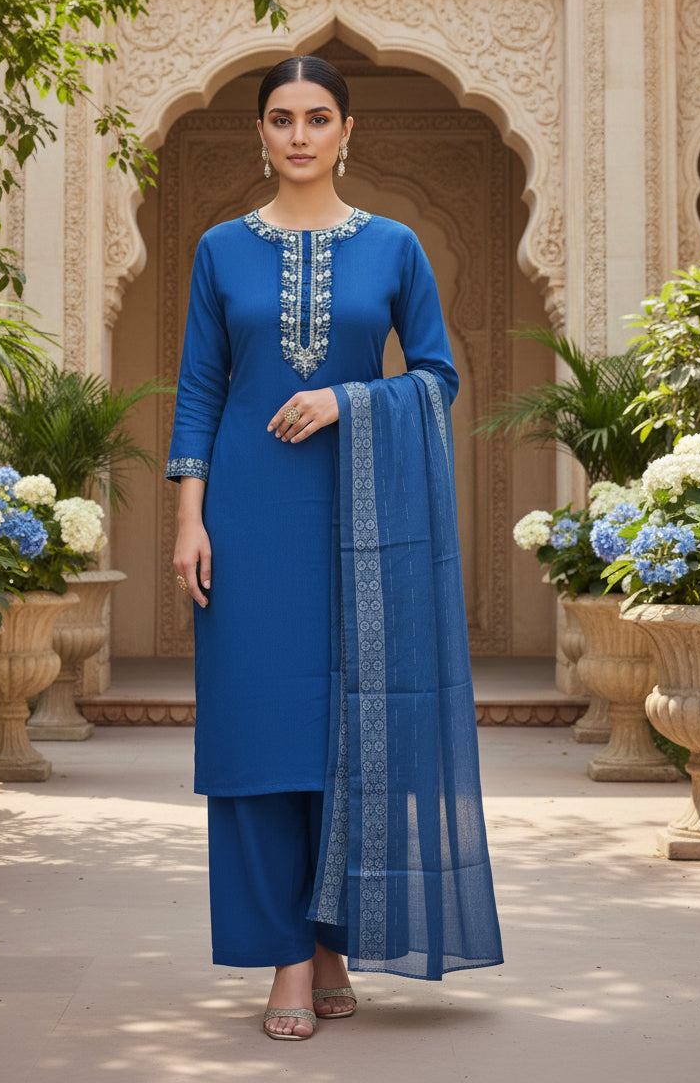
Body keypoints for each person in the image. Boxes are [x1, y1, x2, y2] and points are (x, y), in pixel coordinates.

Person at [167, 55, 503, 1042]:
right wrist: (191, 517)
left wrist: (349, 400)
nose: (300, 134)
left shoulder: (393, 247)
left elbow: (436, 377)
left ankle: (333, 941)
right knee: (261, 735)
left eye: (319, 117)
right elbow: (197, 389)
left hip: (362, 525)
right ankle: (286, 956)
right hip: (249, 512)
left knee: (349, 735)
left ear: (349, 131)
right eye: (282, 118)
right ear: (260, 134)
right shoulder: (220, 249)